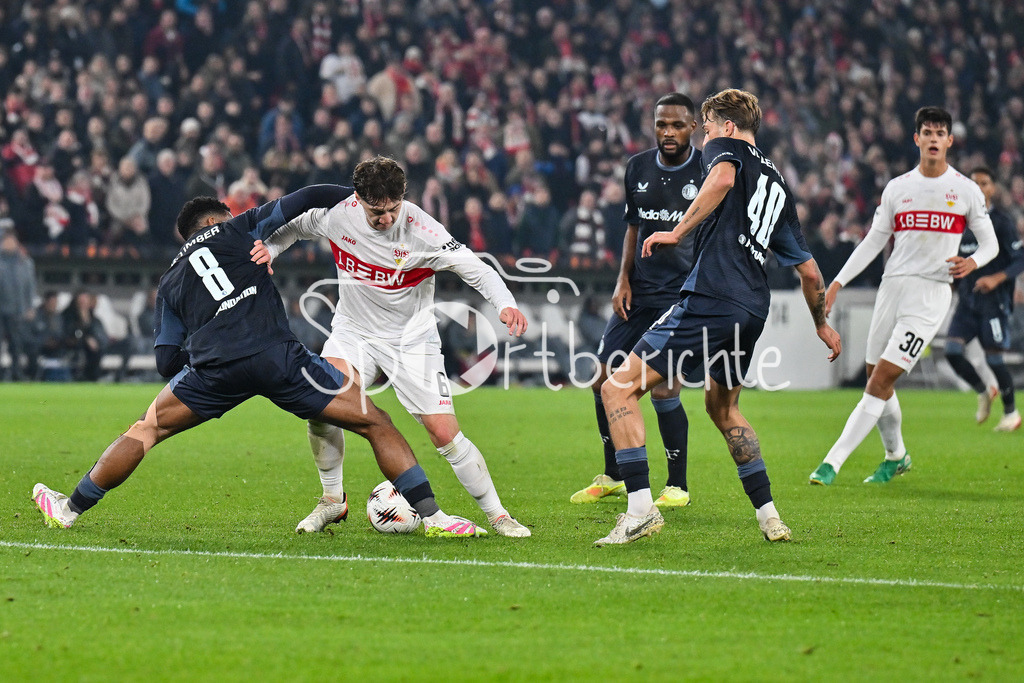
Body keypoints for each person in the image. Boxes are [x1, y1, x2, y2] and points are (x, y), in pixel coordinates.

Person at [31, 185, 486, 538]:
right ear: (213, 219)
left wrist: (210, 345)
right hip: (278, 357)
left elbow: (167, 360)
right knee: (377, 423)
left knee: (145, 429)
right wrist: (358, 200)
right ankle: (435, 518)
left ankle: (69, 509)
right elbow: (304, 200)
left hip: (215, 369)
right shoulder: (235, 229)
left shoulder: (168, 283)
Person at [598, 88, 841, 545]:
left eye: (707, 125)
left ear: (727, 126)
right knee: (722, 407)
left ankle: (638, 511)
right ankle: (770, 517)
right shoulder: (779, 186)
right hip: (752, 308)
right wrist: (821, 324)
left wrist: (677, 231)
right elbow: (809, 272)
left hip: (712, 295)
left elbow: (723, 180)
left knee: (618, 387)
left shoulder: (726, 149)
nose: (704, 134)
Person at [253, 156, 531, 537]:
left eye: (393, 209)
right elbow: (298, 226)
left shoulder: (423, 231)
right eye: (376, 211)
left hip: (412, 340)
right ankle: (332, 500)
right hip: (355, 333)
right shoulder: (339, 215)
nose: (386, 218)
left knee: (444, 434)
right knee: (320, 404)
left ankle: (499, 515)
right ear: (358, 199)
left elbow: (475, 267)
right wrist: (271, 250)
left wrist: (505, 304)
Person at [809, 107, 998, 486]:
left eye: (939, 132)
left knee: (880, 381)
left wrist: (972, 262)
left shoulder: (964, 189)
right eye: (926, 132)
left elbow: (991, 244)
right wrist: (837, 283)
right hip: (892, 287)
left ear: (949, 141)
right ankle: (896, 455)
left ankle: (832, 462)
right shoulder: (898, 188)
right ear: (917, 139)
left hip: (930, 295)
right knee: (874, 379)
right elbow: (873, 241)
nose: (932, 138)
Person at [570, 93, 703, 509]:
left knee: (663, 389)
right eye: (662, 124)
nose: (668, 132)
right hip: (639, 291)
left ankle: (677, 485)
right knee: (602, 381)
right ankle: (612, 476)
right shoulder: (637, 167)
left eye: (677, 125)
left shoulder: (707, 171)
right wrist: (622, 279)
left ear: (692, 127)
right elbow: (634, 228)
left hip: (680, 296)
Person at [944, 166, 1024, 432]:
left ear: (992, 188)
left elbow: (1019, 258)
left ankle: (1011, 413)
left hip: (994, 302)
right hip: (967, 302)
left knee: (994, 359)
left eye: (984, 182)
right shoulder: (959, 223)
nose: (978, 187)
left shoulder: (1002, 222)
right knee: (952, 351)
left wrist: (996, 279)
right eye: (973, 182)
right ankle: (983, 391)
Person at [0, 231, 36, 381]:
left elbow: (30, 287)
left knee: (17, 345)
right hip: (1, 310)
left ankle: (17, 373)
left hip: (18, 311)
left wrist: (30, 306)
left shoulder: (25, 262)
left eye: (12, 240)